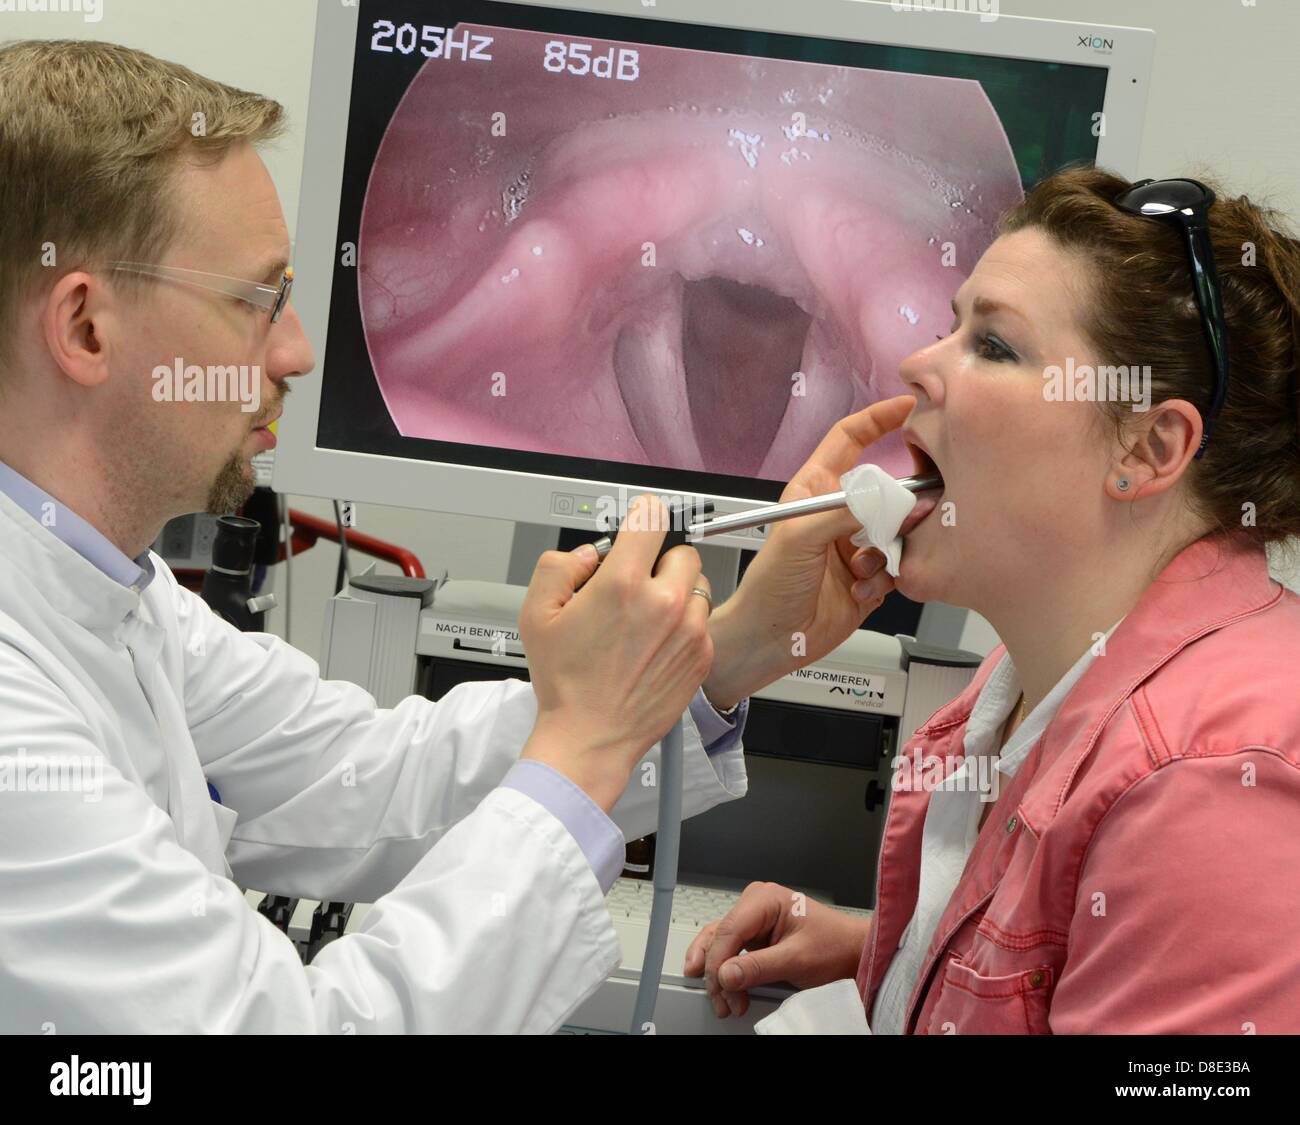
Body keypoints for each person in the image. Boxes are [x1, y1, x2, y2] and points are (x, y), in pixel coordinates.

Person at [0, 39, 898, 1034]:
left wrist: (726, 654)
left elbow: (373, 780)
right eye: (257, 301)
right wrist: (585, 744)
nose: (296, 349)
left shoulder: (114, 593)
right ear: (84, 329)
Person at [687, 164, 1300, 1034]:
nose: (917, 365)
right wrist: (905, 955)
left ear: (1150, 445)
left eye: (995, 345)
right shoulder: (1021, 690)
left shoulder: (1209, 787)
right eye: (951, 327)